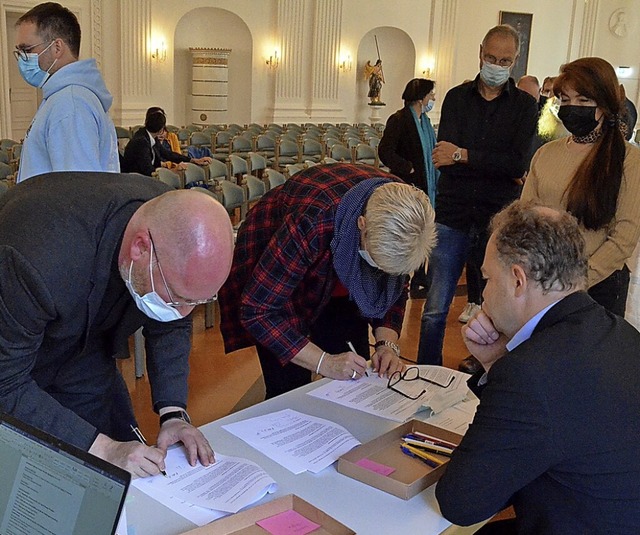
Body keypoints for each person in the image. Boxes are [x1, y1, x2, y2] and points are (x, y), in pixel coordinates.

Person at [0, 172, 235, 477]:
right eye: (178, 298)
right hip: (12, 351)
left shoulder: (167, 218)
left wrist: (173, 412)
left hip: (84, 350)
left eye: (197, 302)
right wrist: (103, 449)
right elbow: (6, 382)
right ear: (140, 248)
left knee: (118, 467)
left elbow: (171, 323)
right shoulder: (33, 258)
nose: (184, 312)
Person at [436, 200, 640, 534]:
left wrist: (501, 366)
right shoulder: (619, 331)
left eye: (486, 278)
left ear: (518, 280)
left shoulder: (529, 373)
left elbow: (460, 502)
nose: (483, 295)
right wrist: (495, 363)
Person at [219, 164, 436, 399]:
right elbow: (258, 311)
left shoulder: (404, 212)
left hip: (339, 288)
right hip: (278, 273)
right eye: (377, 263)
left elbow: (393, 288)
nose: (381, 272)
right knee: (290, 389)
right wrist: (324, 362)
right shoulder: (313, 218)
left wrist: (387, 345)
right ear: (362, 225)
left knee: (355, 376)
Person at [417, 24, 538, 371]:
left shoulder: (525, 107)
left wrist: (464, 155)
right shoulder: (456, 98)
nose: (496, 65)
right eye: (490, 57)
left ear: (514, 62)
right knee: (436, 308)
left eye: (504, 60)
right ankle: (426, 372)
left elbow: (516, 162)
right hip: (453, 214)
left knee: (498, 308)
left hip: (497, 219)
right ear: (480, 52)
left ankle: (489, 374)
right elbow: (443, 158)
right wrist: (485, 160)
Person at [522, 57, 640, 317]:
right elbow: (525, 217)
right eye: (565, 99)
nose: (572, 107)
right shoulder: (546, 154)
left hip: (599, 287)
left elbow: (624, 237)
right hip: (546, 281)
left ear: (604, 104)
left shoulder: (628, 159)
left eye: (584, 100)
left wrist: (575, 283)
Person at [14, 2, 119, 182]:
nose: (22, 59)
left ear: (57, 48)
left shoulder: (70, 103)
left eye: (26, 50)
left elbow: (78, 192)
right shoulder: (64, 98)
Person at [378, 78, 439, 298]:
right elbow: (385, 151)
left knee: (423, 232)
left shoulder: (425, 123)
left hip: (424, 186)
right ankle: (400, 279)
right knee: (407, 234)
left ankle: (421, 279)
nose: (433, 98)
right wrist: (409, 168)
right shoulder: (399, 119)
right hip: (407, 185)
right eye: (431, 94)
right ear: (421, 96)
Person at [121, 110, 211, 176]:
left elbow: (167, 153)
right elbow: (148, 170)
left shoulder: (148, 136)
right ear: (161, 129)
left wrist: (193, 160)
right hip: (136, 180)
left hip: (145, 177)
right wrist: (173, 171)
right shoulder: (141, 141)